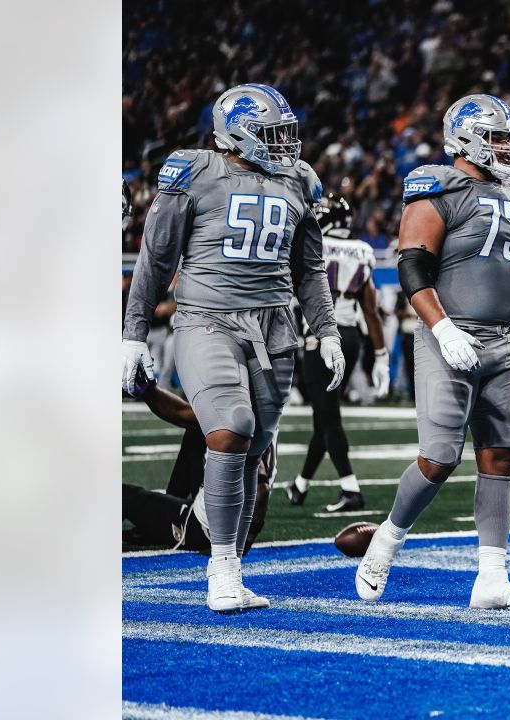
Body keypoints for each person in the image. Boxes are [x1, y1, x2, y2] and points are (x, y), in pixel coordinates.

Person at [122, 83, 343, 613]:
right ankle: (220, 566)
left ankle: (231, 562)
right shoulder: (193, 170)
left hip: (276, 329)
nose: (285, 143)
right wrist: (131, 334)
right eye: (271, 133)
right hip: (206, 320)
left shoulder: (299, 178)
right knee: (229, 428)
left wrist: (328, 329)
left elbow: (309, 268)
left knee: (253, 449)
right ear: (235, 134)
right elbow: (154, 259)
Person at [355, 94, 510, 611]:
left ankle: (491, 578)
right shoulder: (438, 184)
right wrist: (444, 329)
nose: (506, 148)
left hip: (506, 340)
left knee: (500, 455)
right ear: (466, 137)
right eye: (496, 138)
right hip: (448, 335)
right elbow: (412, 266)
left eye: (508, 139)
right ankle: (385, 543)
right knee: (440, 458)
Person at [285, 193, 391, 513]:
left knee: (328, 416)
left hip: (320, 337)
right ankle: (301, 484)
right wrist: (381, 355)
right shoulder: (362, 251)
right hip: (351, 337)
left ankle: (350, 488)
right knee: (325, 414)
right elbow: (370, 310)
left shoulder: (312, 245)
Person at [122, 368, 275, 562]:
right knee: (196, 433)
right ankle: (163, 513)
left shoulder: (235, 418)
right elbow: (186, 416)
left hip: (206, 528)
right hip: (223, 512)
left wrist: (239, 543)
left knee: (123, 497)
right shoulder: (259, 413)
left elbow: (261, 490)